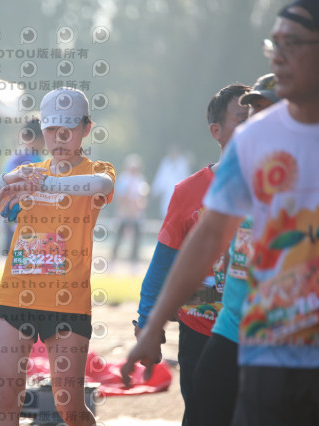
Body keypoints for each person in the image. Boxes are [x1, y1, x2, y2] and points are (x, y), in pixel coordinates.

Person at [122, 2, 319, 425]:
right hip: (252, 341)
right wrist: (151, 325)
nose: (277, 57)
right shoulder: (254, 141)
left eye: (293, 44)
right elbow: (206, 238)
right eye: (274, 45)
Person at [0, 87, 115, 426]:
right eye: (51, 129)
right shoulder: (28, 172)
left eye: (68, 129)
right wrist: (6, 180)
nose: (59, 138)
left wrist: (45, 184)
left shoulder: (97, 170)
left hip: (68, 303)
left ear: (86, 128)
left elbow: (101, 187)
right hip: (14, 296)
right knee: (6, 398)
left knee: (69, 406)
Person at [133, 83, 250, 426]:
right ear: (216, 131)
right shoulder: (188, 191)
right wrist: (146, 323)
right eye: (241, 118)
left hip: (261, 330)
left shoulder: (280, 182)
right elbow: (163, 261)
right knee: (202, 415)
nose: (252, 125)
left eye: (257, 117)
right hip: (201, 328)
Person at [190, 73, 280, 426]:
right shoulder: (242, 166)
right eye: (252, 109)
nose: (256, 117)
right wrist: (151, 319)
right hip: (231, 326)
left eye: (266, 108)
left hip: (282, 333)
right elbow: (214, 238)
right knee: (204, 399)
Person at [1, 119, 45, 252]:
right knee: (20, 248)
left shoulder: (22, 156)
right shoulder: (26, 158)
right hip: (19, 210)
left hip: (18, 209)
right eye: (44, 139)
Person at [111, 153, 149, 264]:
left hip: (136, 213)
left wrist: (138, 205)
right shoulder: (123, 179)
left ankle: (134, 259)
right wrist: (129, 205)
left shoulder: (141, 179)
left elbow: (143, 196)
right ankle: (114, 257)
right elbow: (120, 196)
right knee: (119, 235)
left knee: (137, 236)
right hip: (124, 211)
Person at [151, 145, 191, 219]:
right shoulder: (165, 163)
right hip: (167, 195)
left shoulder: (183, 163)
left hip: (179, 194)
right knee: (166, 214)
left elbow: (187, 179)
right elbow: (161, 178)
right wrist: (155, 190)